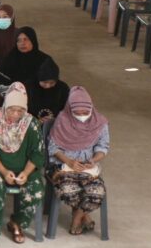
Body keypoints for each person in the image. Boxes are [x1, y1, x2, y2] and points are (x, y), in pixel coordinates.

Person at [0, 84, 45, 248]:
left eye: (20, 111)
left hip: (24, 167)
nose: (15, 114)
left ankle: (17, 222)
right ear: (5, 106)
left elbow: (38, 153)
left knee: (37, 190)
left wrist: (26, 173)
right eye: (12, 109)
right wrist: (4, 171)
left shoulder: (31, 123)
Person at [46, 87, 109, 236]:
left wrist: (93, 160)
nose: (82, 116)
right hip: (64, 167)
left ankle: (77, 217)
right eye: (77, 113)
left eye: (85, 112)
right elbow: (53, 147)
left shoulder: (99, 123)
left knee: (97, 192)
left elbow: (103, 146)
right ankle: (83, 215)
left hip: (88, 169)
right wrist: (69, 161)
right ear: (70, 110)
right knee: (69, 191)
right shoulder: (62, 121)